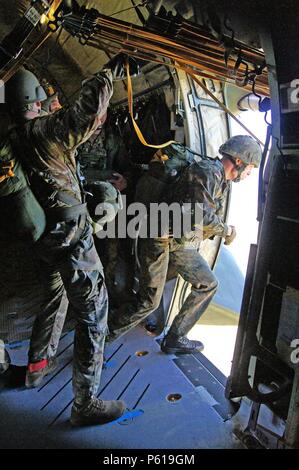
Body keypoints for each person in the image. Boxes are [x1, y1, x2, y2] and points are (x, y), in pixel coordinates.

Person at [2, 53, 139, 426]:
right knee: (95, 312)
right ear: (34, 101)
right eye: (47, 97)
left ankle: (35, 370)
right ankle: (85, 404)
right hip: (70, 237)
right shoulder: (44, 131)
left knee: (55, 297)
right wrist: (110, 72)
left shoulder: (14, 136)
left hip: (45, 236)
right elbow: (89, 114)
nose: (54, 101)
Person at [108, 135, 262, 354]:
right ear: (239, 161)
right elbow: (199, 215)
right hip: (158, 237)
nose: (249, 173)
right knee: (148, 302)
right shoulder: (208, 171)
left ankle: (176, 337)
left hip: (178, 241)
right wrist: (227, 230)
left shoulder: (221, 181)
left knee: (207, 284)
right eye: (251, 168)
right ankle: (102, 336)